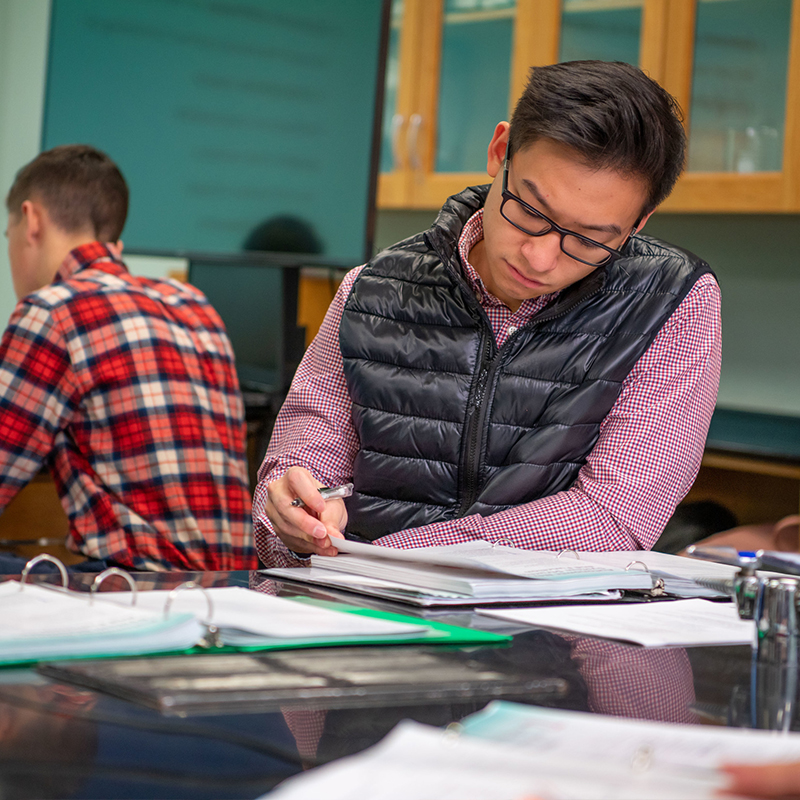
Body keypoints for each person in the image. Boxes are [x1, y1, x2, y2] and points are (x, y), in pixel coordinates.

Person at [254, 60, 722, 568]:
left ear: (638, 222)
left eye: (590, 239)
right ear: (500, 151)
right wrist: (295, 514)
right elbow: (297, 472)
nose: (539, 259)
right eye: (530, 211)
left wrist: (388, 558)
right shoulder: (372, 291)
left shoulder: (673, 302)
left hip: (548, 634)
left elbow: (612, 517)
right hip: (362, 615)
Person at [0, 144, 256, 571]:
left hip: (139, 593)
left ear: (31, 220)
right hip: (232, 588)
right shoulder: (194, 304)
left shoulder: (52, 311)